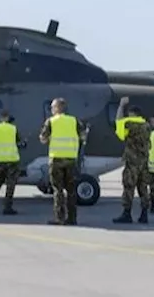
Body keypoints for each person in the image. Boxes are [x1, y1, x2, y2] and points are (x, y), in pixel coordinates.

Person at [38, 97, 86, 226]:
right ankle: (72, 218)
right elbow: (83, 136)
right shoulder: (74, 121)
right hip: (71, 159)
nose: (52, 110)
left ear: (57, 108)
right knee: (71, 190)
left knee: (58, 189)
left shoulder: (51, 121)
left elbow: (43, 138)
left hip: (56, 159)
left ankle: (59, 217)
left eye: (53, 107)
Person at [113, 97, 151, 224]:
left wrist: (120, 106)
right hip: (144, 161)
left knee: (129, 187)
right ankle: (144, 214)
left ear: (132, 114)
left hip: (132, 161)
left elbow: (118, 123)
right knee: (143, 188)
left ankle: (127, 214)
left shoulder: (129, 123)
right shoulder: (147, 125)